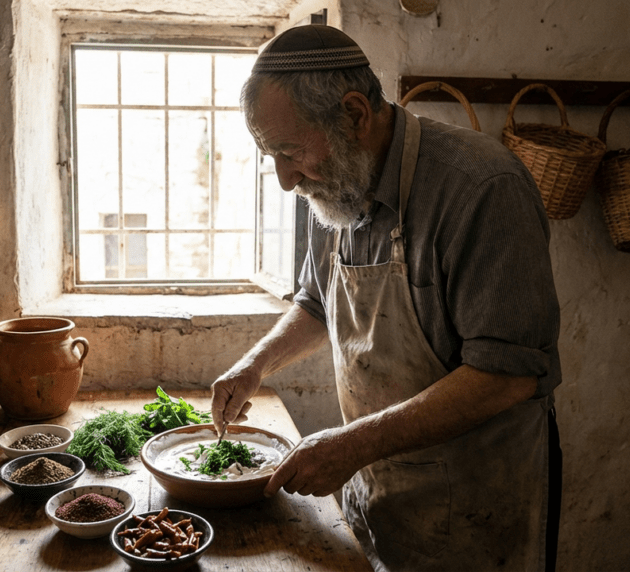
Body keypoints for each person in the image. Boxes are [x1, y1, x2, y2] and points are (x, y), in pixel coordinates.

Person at [210, 25, 563, 572]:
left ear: (354, 114)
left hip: (476, 506)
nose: (284, 180)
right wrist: (256, 366)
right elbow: (316, 302)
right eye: (269, 154)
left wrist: (351, 446)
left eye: (289, 151)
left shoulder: (480, 188)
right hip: (377, 486)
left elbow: (506, 374)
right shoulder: (331, 187)